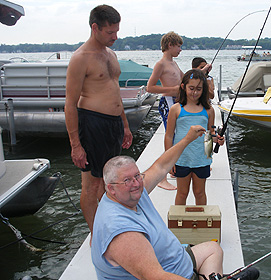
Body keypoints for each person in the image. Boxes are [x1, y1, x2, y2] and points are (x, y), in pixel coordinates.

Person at [91, 125, 224, 280]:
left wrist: (188, 139)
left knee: (213, 249)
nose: (136, 183)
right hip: (168, 274)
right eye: (127, 180)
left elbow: (160, 166)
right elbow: (155, 276)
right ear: (110, 188)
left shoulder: (129, 194)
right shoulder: (122, 231)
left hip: (176, 261)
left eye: (137, 176)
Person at [64, 4, 133, 234]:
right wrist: (76, 145)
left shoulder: (111, 53)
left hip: (114, 124)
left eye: (117, 31)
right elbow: (70, 104)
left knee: (111, 180)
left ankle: (109, 226)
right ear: (95, 27)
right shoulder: (80, 58)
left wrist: (124, 125)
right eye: (110, 32)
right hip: (92, 123)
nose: (115, 37)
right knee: (92, 185)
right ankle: (96, 233)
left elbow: (115, 91)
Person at [164, 69, 224, 205]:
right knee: (182, 192)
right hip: (181, 159)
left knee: (200, 192)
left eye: (199, 89)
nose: (195, 92)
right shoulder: (175, 109)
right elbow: (168, 136)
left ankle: (202, 222)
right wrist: (169, 160)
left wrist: (217, 140)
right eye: (191, 88)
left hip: (201, 160)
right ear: (183, 87)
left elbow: (210, 135)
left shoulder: (209, 110)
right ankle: (179, 223)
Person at [147, 31, 184, 190]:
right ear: (170, 45)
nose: (180, 50)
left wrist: (202, 72)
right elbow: (150, 87)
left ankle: (173, 168)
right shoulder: (161, 64)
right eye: (178, 46)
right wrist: (173, 89)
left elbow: (186, 78)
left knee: (179, 135)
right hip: (167, 102)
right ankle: (163, 175)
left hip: (177, 102)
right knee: (171, 136)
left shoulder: (174, 63)